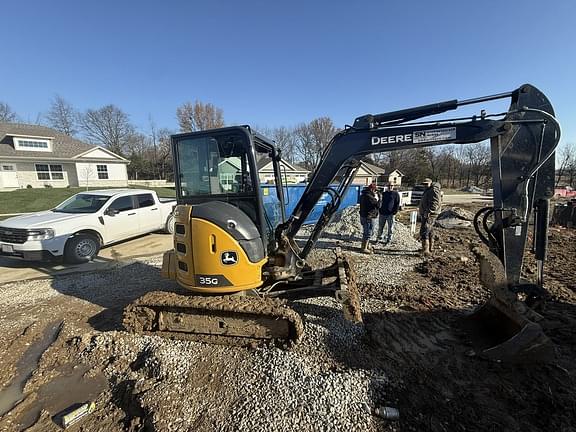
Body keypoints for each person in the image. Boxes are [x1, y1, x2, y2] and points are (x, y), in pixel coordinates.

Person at [418, 178, 442, 256]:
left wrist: (428, 211)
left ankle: (425, 250)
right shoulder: (428, 190)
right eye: (424, 184)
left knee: (424, 231)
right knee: (430, 231)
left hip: (430, 215)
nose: (424, 185)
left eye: (426, 184)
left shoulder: (433, 190)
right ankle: (430, 248)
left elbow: (435, 203)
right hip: (427, 213)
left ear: (430, 183)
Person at [359, 183, 379, 254]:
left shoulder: (363, 195)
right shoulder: (369, 196)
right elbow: (378, 205)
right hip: (369, 217)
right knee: (368, 233)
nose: (375, 192)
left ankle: (365, 246)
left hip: (363, 216)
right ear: (372, 189)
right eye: (375, 190)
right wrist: (379, 198)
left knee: (366, 232)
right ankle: (364, 248)